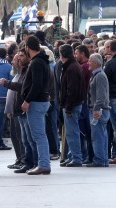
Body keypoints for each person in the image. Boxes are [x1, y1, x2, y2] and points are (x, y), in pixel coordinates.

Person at [21, 35, 53, 175]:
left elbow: (36, 84)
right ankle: (43, 163)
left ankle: (43, 164)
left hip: (36, 102)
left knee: (39, 135)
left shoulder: (36, 63)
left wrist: (27, 100)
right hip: (41, 101)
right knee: (40, 135)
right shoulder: (42, 61)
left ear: (28, 48)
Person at [58, 44, 85, 167]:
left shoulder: (71, 68)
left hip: (71, 105)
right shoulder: (73, 66)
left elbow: (72, 90)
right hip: (73, 104)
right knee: (71, 132)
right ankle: (72, 155)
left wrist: (67, 106)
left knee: (72, 132)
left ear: (62, 55)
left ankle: (76, 157)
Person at [87, 53, 111, 167]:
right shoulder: (98, 74)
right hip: (102, 109)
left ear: (96, 63)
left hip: (99, 109)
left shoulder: (99, 75)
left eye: (90, 61)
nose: (88, 63)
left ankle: (100, 160)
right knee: (102, 135)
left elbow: (101, 95)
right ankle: (103, 159)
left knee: (98, 136)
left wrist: (96, 108)